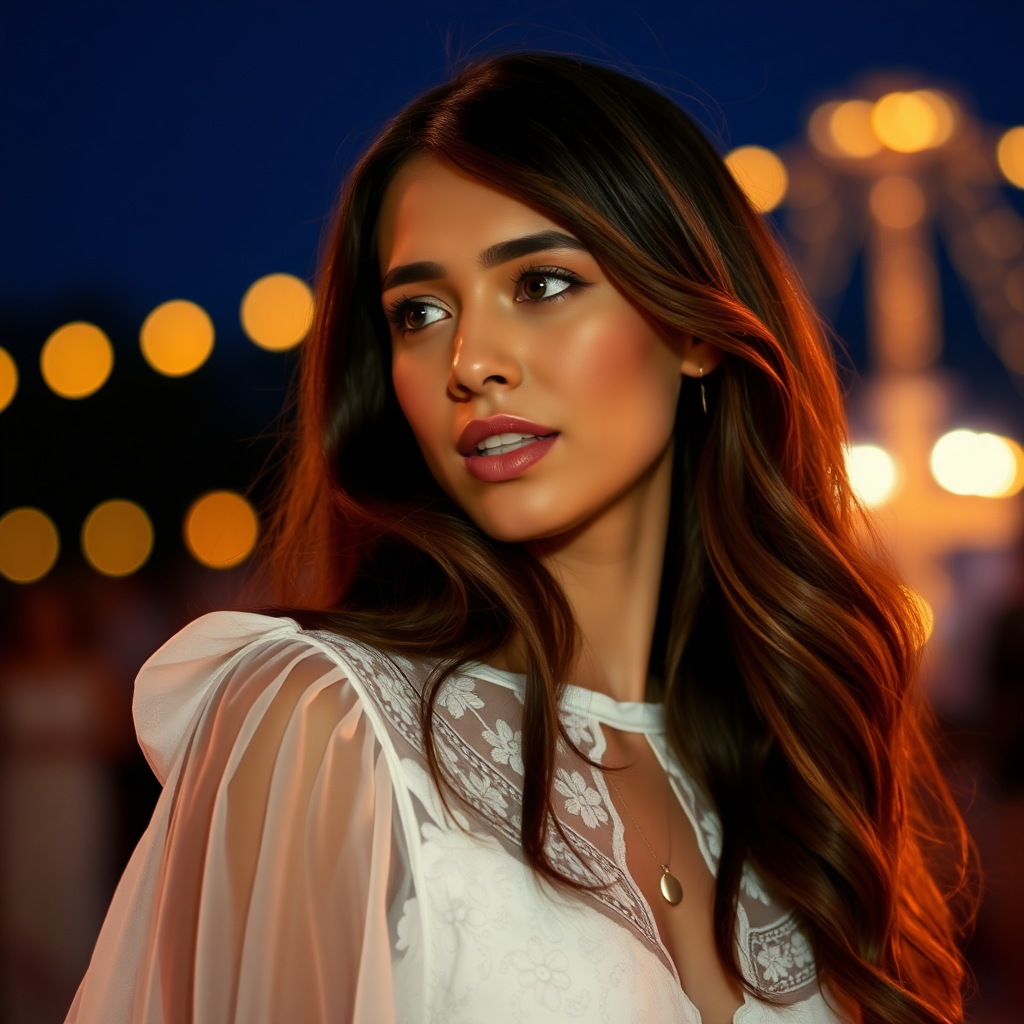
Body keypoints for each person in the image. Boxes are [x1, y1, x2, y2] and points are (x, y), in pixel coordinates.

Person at [67, 54, 975, 1024]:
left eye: (539, 283)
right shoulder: (328, 720)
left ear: (694, 328)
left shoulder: (788, 771)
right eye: (419, 312)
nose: (469, 362)